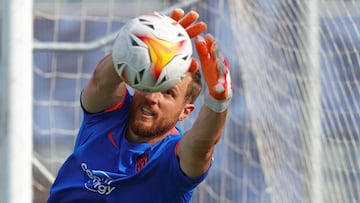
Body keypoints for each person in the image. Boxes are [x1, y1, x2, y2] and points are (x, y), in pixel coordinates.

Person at [47, 8, 232, 203]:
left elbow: (201, 146)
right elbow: (101, 82)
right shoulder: (109, 116)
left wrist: (218, 101)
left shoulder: (172, 157)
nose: (153, 97)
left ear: (185, 112)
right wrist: (141, 41)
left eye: (168, 92)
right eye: (152, 82)